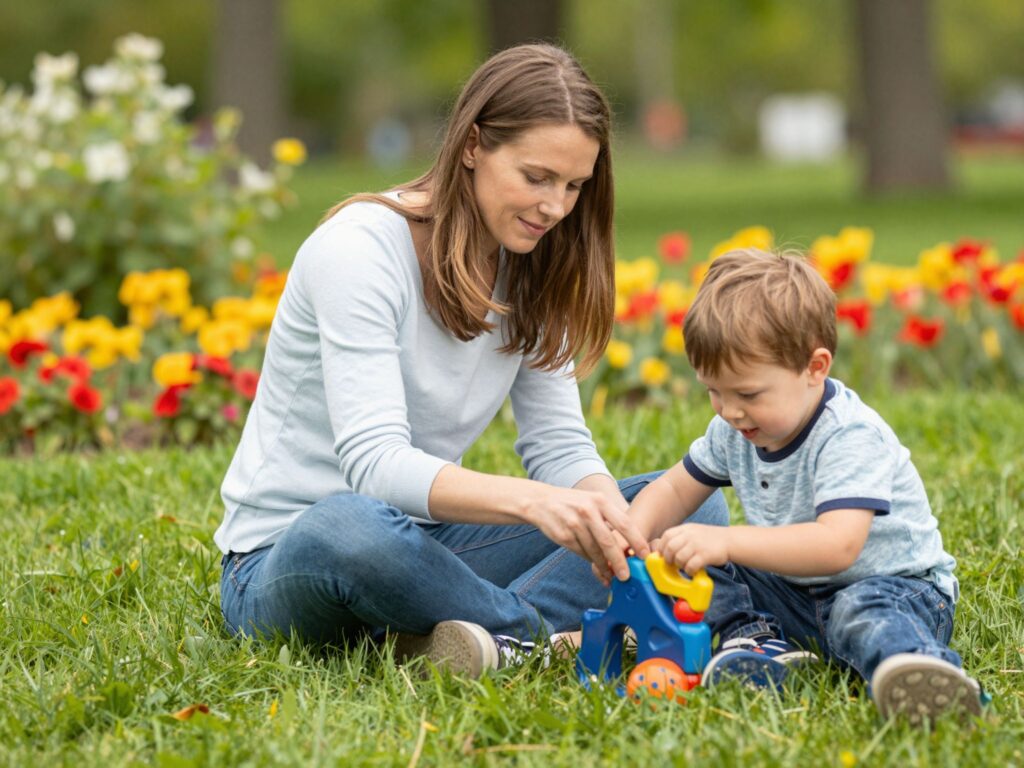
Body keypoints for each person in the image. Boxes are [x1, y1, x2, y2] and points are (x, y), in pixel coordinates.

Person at [214, 43, 727, 677]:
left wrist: (611, 522)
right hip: (290, 559)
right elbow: (373, 465)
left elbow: (560, 447)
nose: (556, 208)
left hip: (429, 548)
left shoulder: (535, 262)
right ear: (472, 146)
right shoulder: (358, 250)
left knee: (687, 504)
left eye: (574, 186)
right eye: (536, 178)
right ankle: (537, 638)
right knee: (348, 525)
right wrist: (535, 503)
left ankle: (459, 637)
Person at [618, 248, 982, 724]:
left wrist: (726, 539)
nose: (729, 410)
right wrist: (630, 533)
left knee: (860, 610)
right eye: (714, 391)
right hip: (794, 592)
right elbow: (673, 490)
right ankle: (758, 642)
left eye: (747, 393)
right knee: (688, 564)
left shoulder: (848, 435)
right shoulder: (734, 430)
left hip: (890, 588)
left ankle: (919, 671)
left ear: (815, 368)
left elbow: (837, 547)